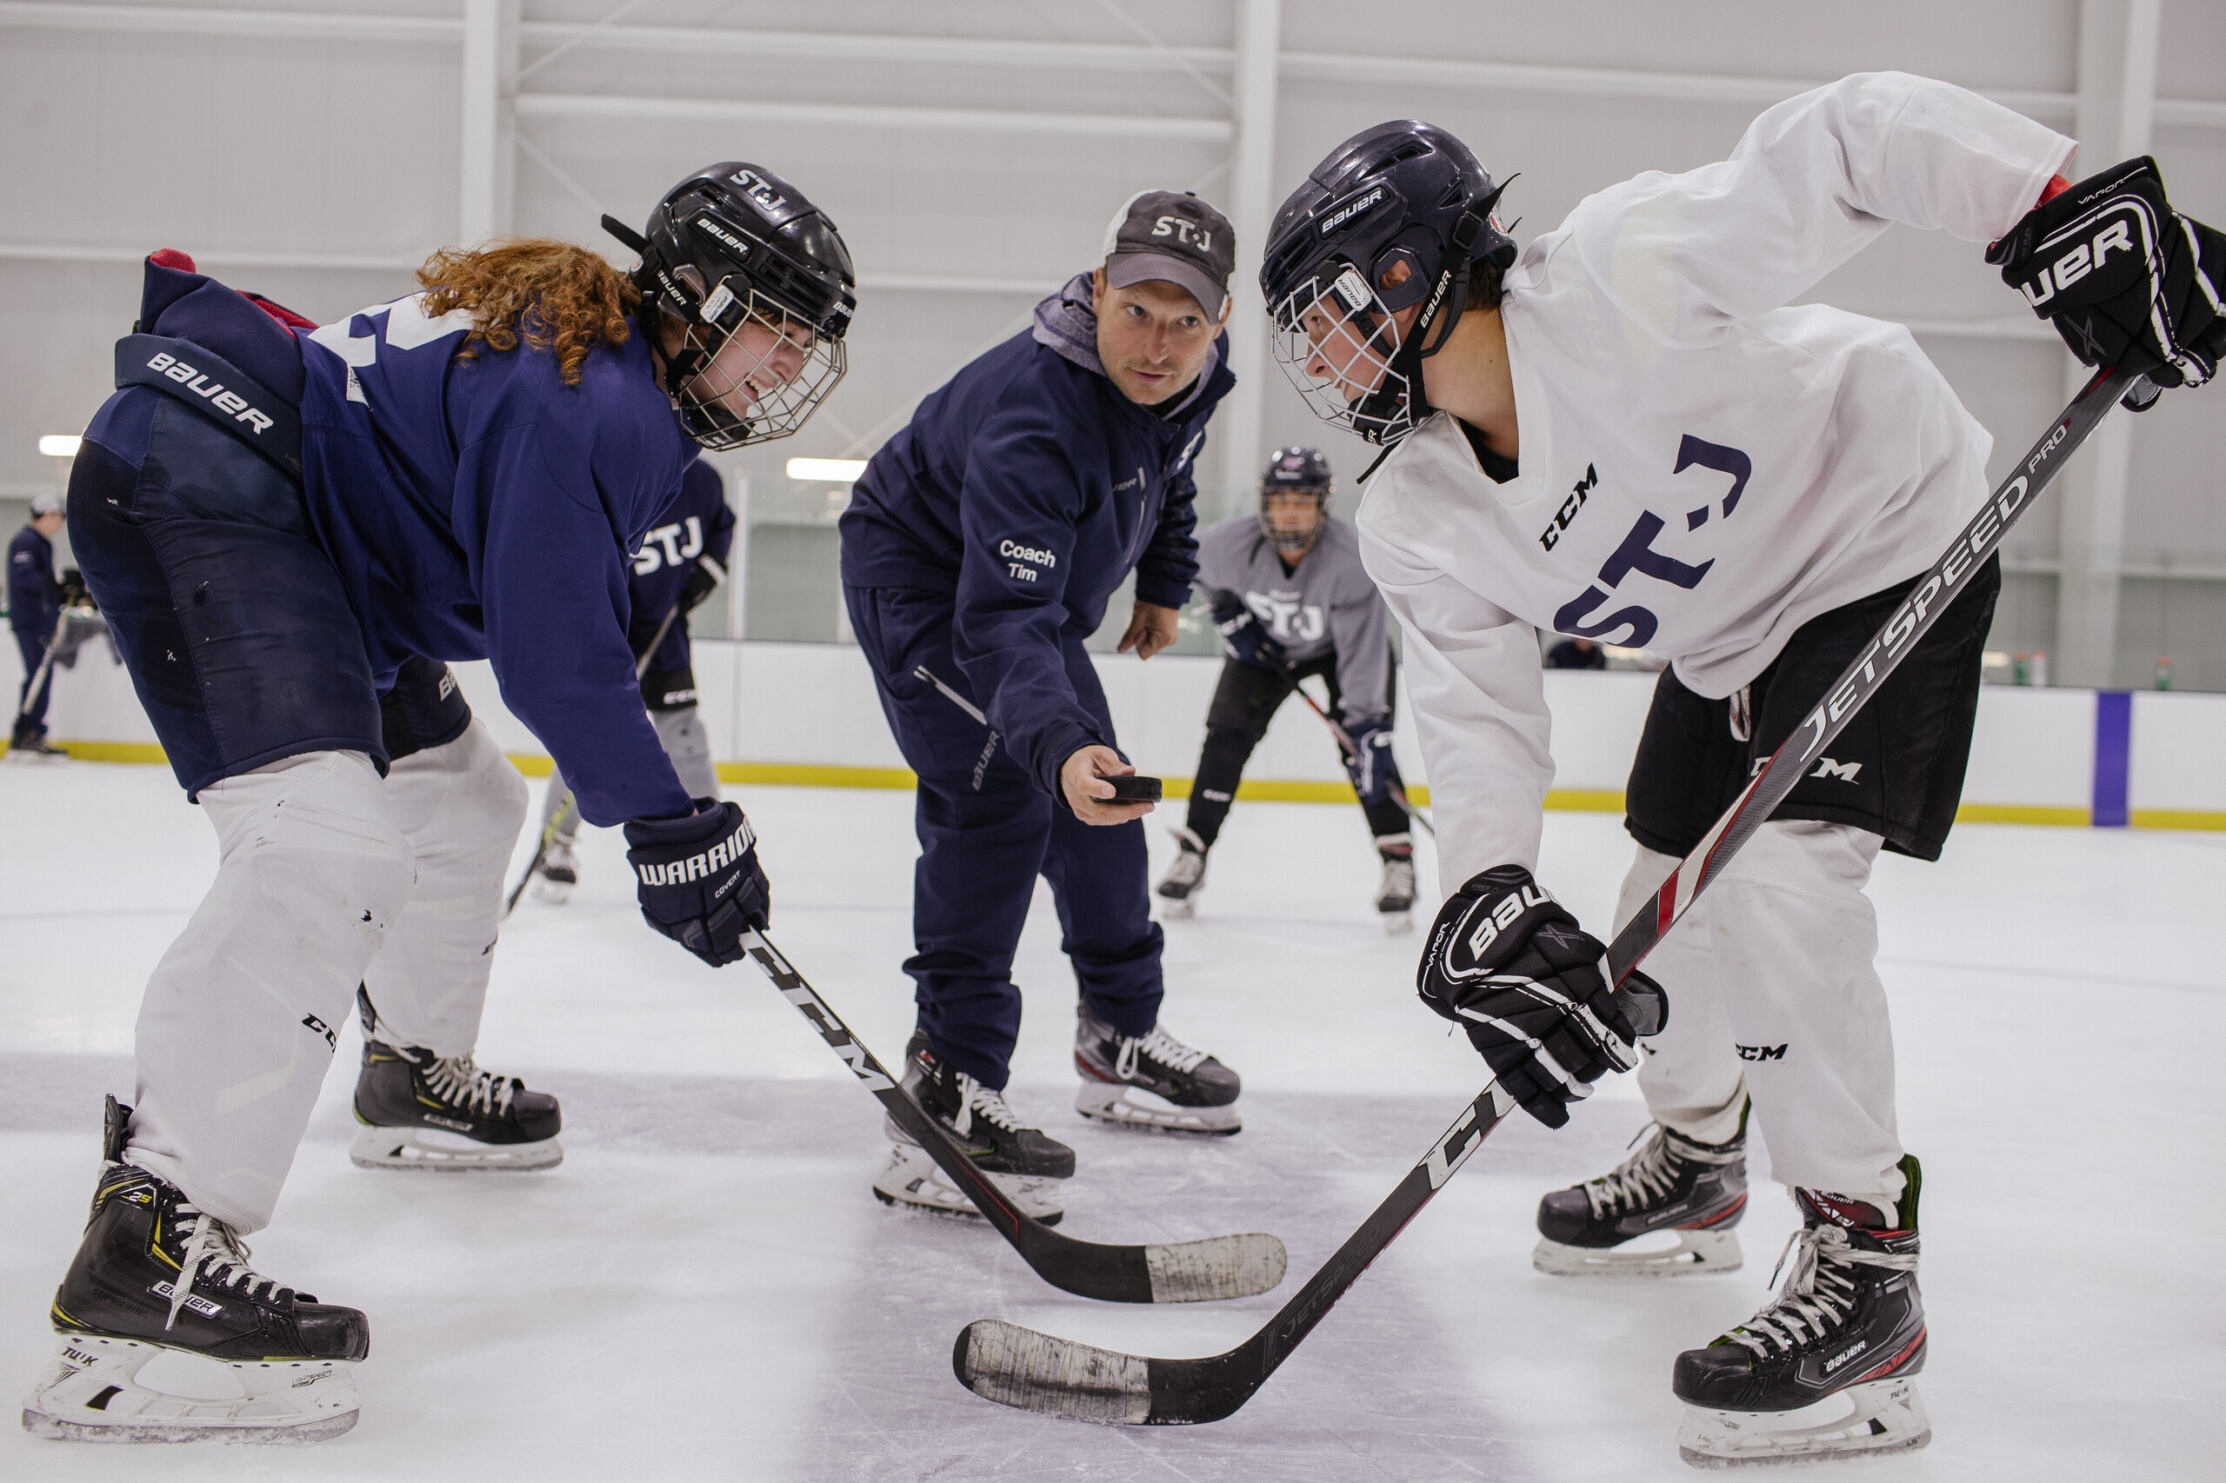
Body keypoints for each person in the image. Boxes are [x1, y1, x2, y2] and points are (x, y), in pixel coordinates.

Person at [1260, 75, 2222, 1465]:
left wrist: (2053, 206)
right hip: (1726, 640)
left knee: (1771, 888)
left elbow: (1844, 137)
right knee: (1663, 898)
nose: (1324, 359)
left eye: (1332, 315)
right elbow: (1475, 716)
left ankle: (1865, 1272)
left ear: (1414, 274)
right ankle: (1701, 1153)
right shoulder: (1415, 508)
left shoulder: (1611, 274)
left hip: (1883, 530)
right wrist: (1480, 893)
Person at [22, 161, 856, 1443]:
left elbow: (556, 621)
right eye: (777, 329)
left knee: (463, 804)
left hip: (319, 542)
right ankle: (150, 1249)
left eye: (809, 341)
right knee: (322, 848)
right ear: (696, 295)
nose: (788, 366)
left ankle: (410, 1076)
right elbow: (549, 651)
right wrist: (673, 821)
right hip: (216, 490)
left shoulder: (609, 367)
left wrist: (657, 804)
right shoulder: (599, 397)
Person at [839, 189, 1243, 1225]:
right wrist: (1053, 742)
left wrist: (1163, 577)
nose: (1158, 344)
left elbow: (1172, 467)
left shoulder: (1185, 380)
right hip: (931, 587)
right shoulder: (1035, 416)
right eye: (1138, 310)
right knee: (1000, 801)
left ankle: (1118, 1033)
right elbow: (1003, 623)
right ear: (1096, 288)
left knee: (1101, 796)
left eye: (1185, 320)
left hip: (1033, 598)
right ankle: (943, 1092)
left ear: (1220, 319)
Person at [1156, 445, 1417, 929]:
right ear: (1265, 503)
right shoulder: (1227, 545)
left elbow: (1363, 648)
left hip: (1339, 651)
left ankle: (1397, 861)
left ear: (1322, 505)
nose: (1290, 512)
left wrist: (1366, 721)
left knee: (1366, 750)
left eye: (1302, 500)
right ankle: (1192, 853)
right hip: (1263, 651)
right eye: (1280, 500)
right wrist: (1227, 614)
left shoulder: (1352, 558)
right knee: (1225, 738)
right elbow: (1184, 566)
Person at [530, 454, 737, 901]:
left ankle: (711, 841)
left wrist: (710, 569)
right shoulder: (619, 476)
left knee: (684, 739)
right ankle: (556, 847)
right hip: (607, 637)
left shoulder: (703, 481)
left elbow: (723, 525)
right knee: (588, 744)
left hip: (668, 639)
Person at [7, 491, 67, 756]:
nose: (61, 523)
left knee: (41, 674)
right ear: (47, 514)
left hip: (40, 620)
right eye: (59, 517)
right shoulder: (27, 541)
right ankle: (26, 731)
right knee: (38, 674)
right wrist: (53, 588)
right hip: (32, 620)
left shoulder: (41, 543)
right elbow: (24, 579)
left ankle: (29, 730)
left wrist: (60, 591)